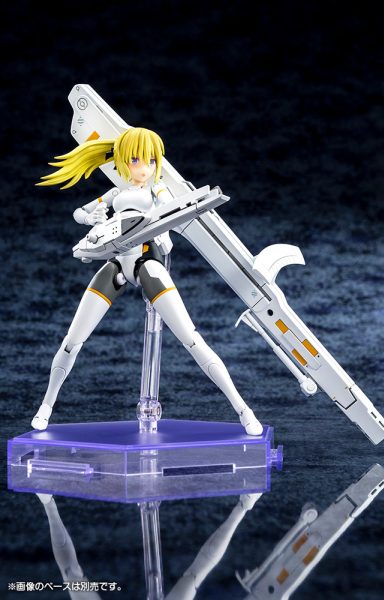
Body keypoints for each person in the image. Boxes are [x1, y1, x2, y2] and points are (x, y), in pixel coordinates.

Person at [31, 127, 263, 436]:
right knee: (72, 340)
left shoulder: (156, 190)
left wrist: (176, 215)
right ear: (123, 160)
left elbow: (172, 209)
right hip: (116, 263)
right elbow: (79, 212)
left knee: (191, 338)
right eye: (136, 159)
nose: (144, 168)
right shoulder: (115, 194)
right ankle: (45, 407)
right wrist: (92, 218)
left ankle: (243, 409)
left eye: (151, 160)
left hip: (147, 262)